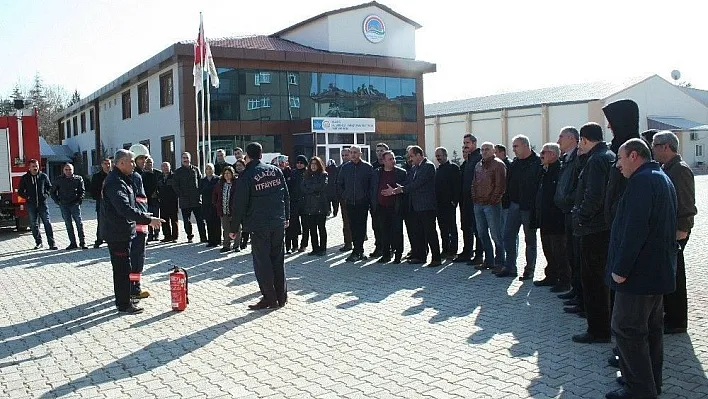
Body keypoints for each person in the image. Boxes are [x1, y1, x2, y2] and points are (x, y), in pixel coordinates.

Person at [604, 138, 677, 399]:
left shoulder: (643, 182)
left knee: (627, 330)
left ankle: (639, 390)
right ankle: (650, 385)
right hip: (654, 274)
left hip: (638, 275)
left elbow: (635, 229)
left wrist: (620, 269)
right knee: (650, 332)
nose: (618, 165)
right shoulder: (658, 177)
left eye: (620, 159)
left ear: (634, 155)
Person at [102, 149, 163, 314]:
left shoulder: (123, 178)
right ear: (121, 163)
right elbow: (124, 208)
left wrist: (145, 216)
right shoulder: (115, 181)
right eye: (131, 162)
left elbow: (135, 203)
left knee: (124, 268)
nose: (133, 165)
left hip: (123, 232)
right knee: (122, 270)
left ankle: (124, 300)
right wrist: (148, 220)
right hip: (117, 233)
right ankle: (123, 304)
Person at [230, 142, 290, 310]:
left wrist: (234, 229)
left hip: (259, 225)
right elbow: (285, 195)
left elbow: (239, 205)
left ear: (247, 157)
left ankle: (269, 299)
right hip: (277, 222)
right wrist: (287, 216)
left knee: (263, 263)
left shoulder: (246, 175)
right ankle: (282, 296)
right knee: (277, 260)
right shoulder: (276, 170)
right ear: (261, 155)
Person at [571, 122, 615, 344]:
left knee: (594, 282)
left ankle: (598, 330)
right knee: (599, 280)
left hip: (593, 229)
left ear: (584, 140)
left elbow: (594, 196)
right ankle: (603, 327)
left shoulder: (597, 160)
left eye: (580, 141)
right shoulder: (607, 155)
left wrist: (581, 216)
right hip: (602, 228)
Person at [651, 131, 697, 334]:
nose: (652, 149)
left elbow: (686, 203)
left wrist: (682, 228)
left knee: (676, 276)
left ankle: (677, 321)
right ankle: (670, 315)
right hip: (668, 229)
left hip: (676, 231)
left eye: (655, 145)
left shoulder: (679, 170)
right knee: (669, 273)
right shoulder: (667, 168)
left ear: (666, 147)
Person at [383, 146, 441, 266]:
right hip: (415, 206)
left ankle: (436, 258)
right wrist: (396, 188)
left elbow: (417, 184)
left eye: (412, 156)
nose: (410, 159)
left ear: (419, 155)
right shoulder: (415, 168)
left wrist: (400, 190)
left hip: (426, 205)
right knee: (418, 232)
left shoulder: (428, 166)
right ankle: (420, 256)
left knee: (430, 232)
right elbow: (408, 182)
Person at [498, 135, 541, 279]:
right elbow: (508, 183)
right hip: (514, 206)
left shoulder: (537, 163)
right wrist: (506, 201)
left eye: (516, 146)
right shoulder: (515, 164)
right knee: (508, 236)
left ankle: (529, 269)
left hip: (529, 207)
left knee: (530, 240)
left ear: (525, 146)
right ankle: (510, 267)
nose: (513, 150)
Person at [533, 143, 569, 289]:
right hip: (545, 218)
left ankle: (564, 280)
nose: (541, 155)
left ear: (553, 155)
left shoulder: (560, 171)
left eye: (544, 152)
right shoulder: (544, 171)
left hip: (556, 219)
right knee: (547, 249)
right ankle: (551, 275)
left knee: (559, 251)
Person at [471, 142, 506, 270]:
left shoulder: (498, 165)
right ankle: (489, 260)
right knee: (482, 233)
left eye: (487, 149)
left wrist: (493, 200)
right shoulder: (478, 165)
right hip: (478, 204)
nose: (484, 151)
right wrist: (474, 198)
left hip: (492, 205)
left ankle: (500, 262)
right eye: (483, 149)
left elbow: (500, 186)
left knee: (496, 234)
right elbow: (474, 183)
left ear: (493, 151)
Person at [370, 151, 408, 263]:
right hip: (381, 207)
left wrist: (394, 192)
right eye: (390, 159)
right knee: (384, 231)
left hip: (395, 207)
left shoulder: (401, 173)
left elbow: (405, 189)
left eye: (393, 158)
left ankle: (398, 254)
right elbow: (373, 188)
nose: (393, 161)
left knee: (397, 231)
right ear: (383, 161)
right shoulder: (377, 173)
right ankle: (386, 254)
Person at [338, 145, 373, 262]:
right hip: (349, 202)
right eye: (351, 152)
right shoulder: (345, 168)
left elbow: (371, 186)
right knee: (352, 226)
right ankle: (355, 250)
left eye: (355, 152)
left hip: (362, 202)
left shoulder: (367, 167)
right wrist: (344, 195)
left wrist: (366, 197)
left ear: (360, 154)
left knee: (361, 227)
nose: (353, 155)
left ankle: (360, 250)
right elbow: (340, 184)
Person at [456, 134, 484, 265]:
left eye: (467, 143)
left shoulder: (479, 158)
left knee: (478, 228)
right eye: (464, 143)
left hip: (476, 199)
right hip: (465, 199)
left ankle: (479, 254)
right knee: (466, 226)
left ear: (474, 143)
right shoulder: (468, 160)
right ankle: (467, 251)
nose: (465, 145)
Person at [18, 159, 57, 250]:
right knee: (33, 224)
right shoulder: (25, 178)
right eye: (33, 166)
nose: (35, 168)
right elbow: (20, 192)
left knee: (47, 223)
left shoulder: (43, 176)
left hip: (42, 204)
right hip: (31, 205)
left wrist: (46, 195)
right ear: (29, 167)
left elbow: (49, 187)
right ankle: (38, 242)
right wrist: (27, 197)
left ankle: (52, 243)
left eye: (36, 166)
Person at [51, 162, 87, 250]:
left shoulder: (78, 179)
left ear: (73, 170)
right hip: (64, 205)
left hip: (75, 204)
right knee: (68, 224)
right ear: (63, 170)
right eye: (66, 169)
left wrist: (79, 201)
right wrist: (57, 202)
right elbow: (52, 192)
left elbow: (82, 191)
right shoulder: (59, 180)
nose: (68, 171)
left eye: (70, 169)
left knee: (79, 223)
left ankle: (83, 242)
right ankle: (73, 243)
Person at [173, 152, 206, 243]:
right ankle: (189, 236)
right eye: (184, 158)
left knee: (200, 220)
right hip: (185, 201)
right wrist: (181, 194)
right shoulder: (178, 172)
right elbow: (175, 185)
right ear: (181, 159)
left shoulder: (195, 169)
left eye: (187, 158)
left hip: (196, 200)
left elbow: (200, 181)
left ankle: (203, 237)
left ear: (190, 159)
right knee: (186, 221)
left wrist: (198, 192)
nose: (185, 159)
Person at [434, 147, 461, 259]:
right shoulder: (438, 169)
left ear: (445, 155)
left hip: (449, 204)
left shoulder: (453, 168)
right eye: (436, 156)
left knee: (451, 227)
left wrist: (454, 201)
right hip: (439, 204)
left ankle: (453, 250)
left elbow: (457, 186)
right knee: (442, 228)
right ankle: (445, 249)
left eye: (439, 156)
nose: (438, 158)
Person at [302, 156, 329, 256]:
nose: (313, 166)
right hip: (309, 206)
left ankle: (323, 248)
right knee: (312, 229)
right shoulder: (307, 175)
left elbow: (321, 187)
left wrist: (310, 188)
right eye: (312, 164)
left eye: (315, 164)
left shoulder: (323, 174)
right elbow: (303, 188)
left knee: (321, 228)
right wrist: (311, 188)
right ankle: (315, 248)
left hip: (320, 206)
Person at [369, 142, 389, 257]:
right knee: (376, 226)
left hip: (389, 203)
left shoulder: (391, 165)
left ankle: (390, 248)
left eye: (382, 151)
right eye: (378, 151)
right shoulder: (372, 167)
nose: (379, 153)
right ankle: (379, 247)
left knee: (388, 227)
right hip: (375, 203)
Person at [213, 166, 237, 253]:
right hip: (223, 210)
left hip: (234, 211)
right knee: (226, 229)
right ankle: (226, 245)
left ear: (232, 174)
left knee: (236, 228)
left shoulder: (236, 183)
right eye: (225, 173)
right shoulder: (220, 183)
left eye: (228, 173)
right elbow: (215, 195)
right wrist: (216, 204)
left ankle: (236, 245)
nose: (226, 175)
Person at [89, 158, 111, 248]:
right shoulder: (96, 176)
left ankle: (111, 239)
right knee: (101, 222)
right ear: (102, 165)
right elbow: (93, 190)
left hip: (113, 203)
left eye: (109, 163)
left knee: (112, 222)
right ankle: (99, 239)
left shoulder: (114, 175)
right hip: (101, 202)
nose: (107, 165)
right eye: (105, 164)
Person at [200, 163, 221, 247]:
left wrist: (208, 189)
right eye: (207, 168)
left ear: (213, 170)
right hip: (206, 204)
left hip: (215, 204)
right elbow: (201, 190)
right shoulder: (202, 180)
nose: (209, 170)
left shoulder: (217, 179)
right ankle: (211, 240)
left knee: (216, 222)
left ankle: (217, 240)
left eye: (210, 168)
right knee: (209, 223)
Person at [156, 162, 178, 242]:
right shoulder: (159, 177)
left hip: (172, 201)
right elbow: (157, 188)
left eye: (166, 166)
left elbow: (177, 189)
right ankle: (167, 236)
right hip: (163, 201)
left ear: (170, 167)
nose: (165, 168)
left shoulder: (174, 176)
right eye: (163, 167)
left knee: (174, 220)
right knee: (164, 220)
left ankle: (174, 237)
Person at [337, 148, 353, 252]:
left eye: (346, 155)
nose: (344, 157)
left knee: (357, 222)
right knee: (346, 223)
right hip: (345, 200)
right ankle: (348, 243)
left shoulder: (357, 167)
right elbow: (338, 184)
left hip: (358, 199)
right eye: (342, 155)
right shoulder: (340, 168)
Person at [142, 157, 161, 242]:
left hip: (155, 199)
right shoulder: (142, 175)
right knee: (148, 217)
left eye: (150, 162)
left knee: (156, 217)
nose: (149, 164)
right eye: (147, 163)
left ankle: (157, 234)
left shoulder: (158, 173)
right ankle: (150, 234)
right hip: (147, 200)